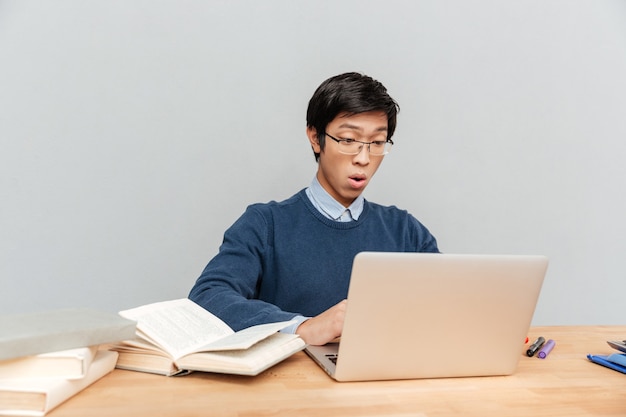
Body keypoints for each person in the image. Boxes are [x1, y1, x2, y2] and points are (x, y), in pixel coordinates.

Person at [189, 72, 439, 345]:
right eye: (347, 140)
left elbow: (448, 306)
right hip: (291, 383)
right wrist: (302, 328)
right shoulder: (265, 224)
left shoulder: (406, 232)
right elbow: (209, 296)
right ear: (315, 138)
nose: (363, 158)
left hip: (383, 379)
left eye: (377, 143)